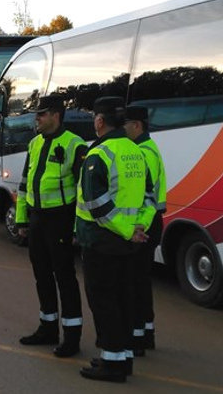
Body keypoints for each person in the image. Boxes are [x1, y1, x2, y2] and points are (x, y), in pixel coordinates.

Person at [76, 96, 153, 383]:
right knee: (122, 299)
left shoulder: (99, 154)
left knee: (104, 300)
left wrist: (124, 229)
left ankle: (111, 362)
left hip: (103, 241)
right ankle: (123, 357)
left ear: (99, 120)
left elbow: (97, 205)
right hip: (128, 242)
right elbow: (149, 198)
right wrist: (137, 227)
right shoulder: (135, 152)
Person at [16, 94, 88, 358]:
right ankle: (47, 328)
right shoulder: (34, 143)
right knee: (42, 276)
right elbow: (25, 184)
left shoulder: (75, 145)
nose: (36, 119)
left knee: (65, 279)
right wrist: (22, 219)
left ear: (56, 116)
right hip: (37, 220)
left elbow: (84, 191)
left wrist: (76, 227)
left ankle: (72, 337)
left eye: (41, 114)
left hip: (61, 219)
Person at [123, 105, 167, 356]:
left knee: (134, 282)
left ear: (137, 125)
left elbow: (146, 196)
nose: (122, 129)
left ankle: (138, 337)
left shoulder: (142, 152)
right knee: (140, 281)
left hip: (145, 223)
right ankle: (145, 333)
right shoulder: (148, 148)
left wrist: (136, 226)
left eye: (126, 124)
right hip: (149, 222)